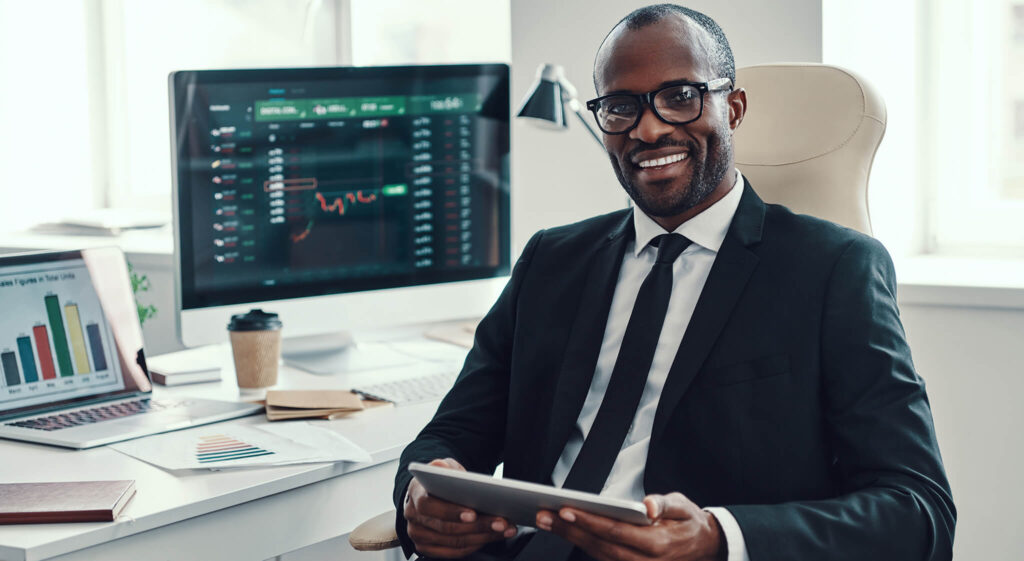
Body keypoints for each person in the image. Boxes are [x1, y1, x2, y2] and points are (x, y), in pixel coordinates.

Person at [393, 4, 956, 561]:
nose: (650, 127)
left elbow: (918, 510)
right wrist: (421, 495)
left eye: (680, 97)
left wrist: (718, 538)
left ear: (733, 108)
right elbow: (450, 434)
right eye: (620, 107)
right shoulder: (551, 260)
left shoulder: (834, 269)